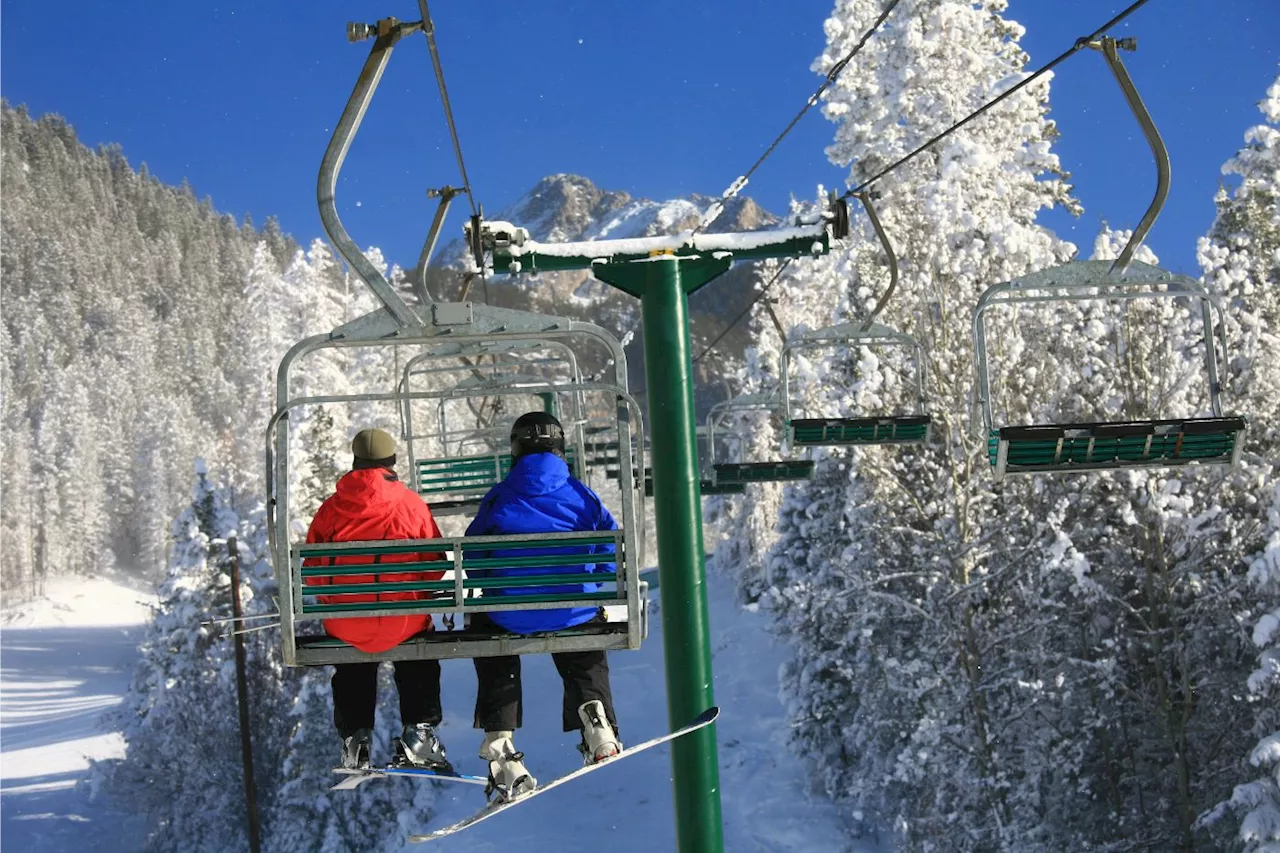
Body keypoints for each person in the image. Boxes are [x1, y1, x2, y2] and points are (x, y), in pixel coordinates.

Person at [465, 411, 623, 801]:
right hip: (572, 612)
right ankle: (595, 716)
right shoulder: (581, 495)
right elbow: (609, 551)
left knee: (492, 641)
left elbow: (472, 556)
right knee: (582, 634)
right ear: (560, 449)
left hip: (508, 616)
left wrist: (499, 585)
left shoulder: (500, 496)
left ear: (515, 450)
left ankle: (501, 744)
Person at [304, 427, 452, 773]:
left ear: (355, 463)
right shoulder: (411, 505)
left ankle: (356, 738)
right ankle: (419, 731)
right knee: (418, 652)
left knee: (353, 655)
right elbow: (437, 564)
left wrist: (337, 599)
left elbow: (310, 569)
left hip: (348, 621)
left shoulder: (331, 509)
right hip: (405, 621)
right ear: (392, 463)